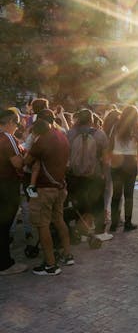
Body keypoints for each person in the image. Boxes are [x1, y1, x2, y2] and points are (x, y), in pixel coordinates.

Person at [25, 110, 73, 275]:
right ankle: (68, 254)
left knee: (42, 225)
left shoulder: (42, 140)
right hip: (60, 186)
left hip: (45, 188)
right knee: (59, 220)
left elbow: (25, 162)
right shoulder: (61, 136)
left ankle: (50, 264)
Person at [67, 109, 110, 239]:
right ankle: (99, 231)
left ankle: (82, 231)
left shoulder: (70, 133)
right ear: (91, 120)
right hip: (95, 174)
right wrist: (104, 173)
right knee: (97, 203)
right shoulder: (99, 134)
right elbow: (105, 157)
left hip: (75, 174)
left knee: (79, 203)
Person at [0, 109, 27, 275]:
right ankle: (5, 264)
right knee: (4, 225)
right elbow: (18, 164)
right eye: (16, 124)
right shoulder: (7, 137)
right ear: (10, 122)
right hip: (6, 185)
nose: (17, 127)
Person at [109, 105, 138, 232]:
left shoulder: (115, 127)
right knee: (129, 195)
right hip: (130, 161)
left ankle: (114, 223)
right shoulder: (137, 129)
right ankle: (128, 223)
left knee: (116, 195)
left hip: (117, 161)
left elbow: (110, 143)